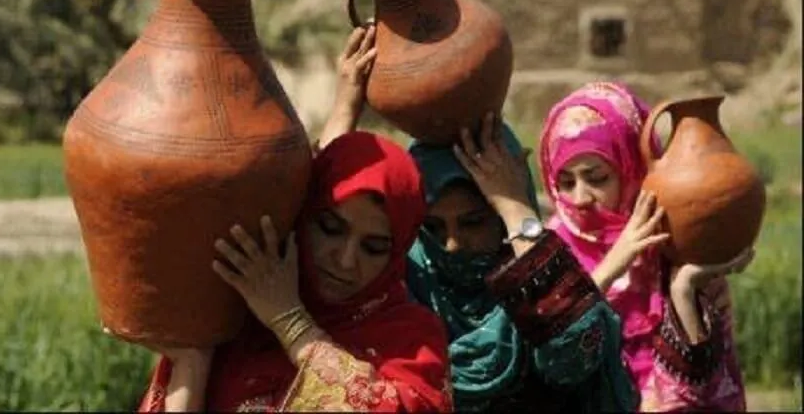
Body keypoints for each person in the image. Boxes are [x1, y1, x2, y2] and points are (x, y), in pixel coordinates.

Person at [320, 26, 638, 413]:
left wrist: (515, 207)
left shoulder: (541, 285)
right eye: (433, 229)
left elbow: (574, 350)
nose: (453, 245)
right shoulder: (402, 289)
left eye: (473, 223)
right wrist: (344, 110)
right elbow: (320, 228)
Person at [137, 130, 453, 412]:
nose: (345, 260)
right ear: (303, 215)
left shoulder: (412, 342)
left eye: (373, 248)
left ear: (396, 255)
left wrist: (290, 322)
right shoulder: (239, 310)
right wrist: (194, 359)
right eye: (330, 228)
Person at [537, 81, 753, 411]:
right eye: (565, 182)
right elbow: (547, 358)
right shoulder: (548, 253)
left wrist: (684, 292)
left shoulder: (672, 239)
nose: (579, 199)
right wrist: (614, 264)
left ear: (631, 167)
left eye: (596, 178)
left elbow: (707, 385)